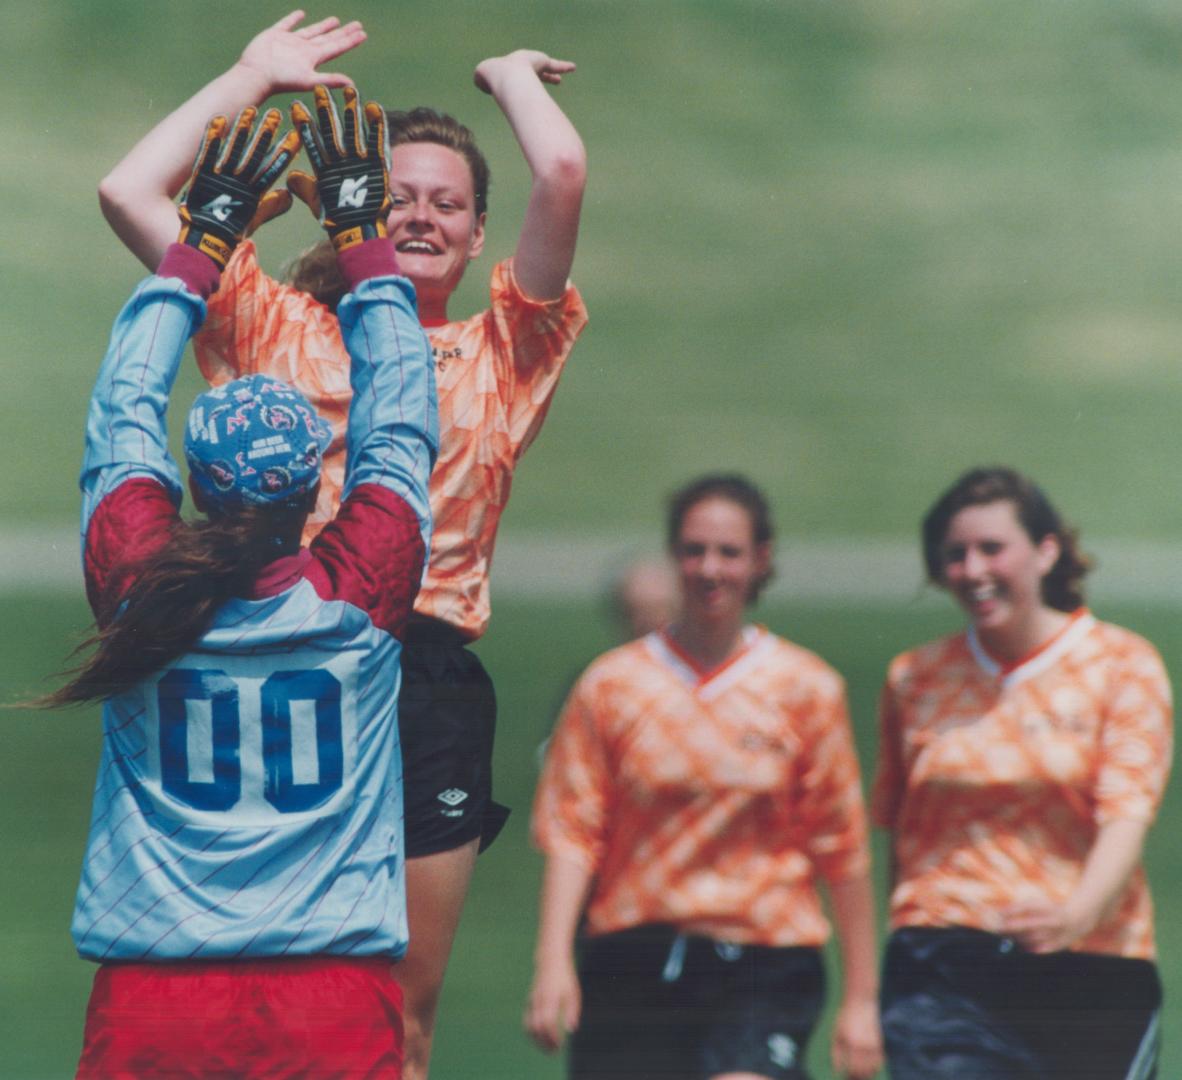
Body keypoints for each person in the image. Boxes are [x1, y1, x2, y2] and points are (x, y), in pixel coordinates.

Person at [98, 13, 588, 1076]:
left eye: (448, 203)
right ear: (346, 205)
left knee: (397, 1022)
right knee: (249, 982)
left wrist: (508, 76)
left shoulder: (503, 347)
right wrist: (250, 76)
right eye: (397, 194)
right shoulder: (270, 319)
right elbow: (130, 195)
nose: (420, 214)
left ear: (473, 236)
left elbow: (560, 169)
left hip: (420, 674)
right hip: (281, 654)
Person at [58, 89, 437, 1075]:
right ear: (317, 480)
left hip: (153, 998)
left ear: (192, 479)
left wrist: (199, 245)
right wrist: (364, 240)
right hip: (331, 997)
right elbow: (401, 420)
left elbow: (122, 405)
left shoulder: (139, 583)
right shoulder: (360, 593)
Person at [526, 475, 883, 1080]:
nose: (710, 569)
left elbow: (841, 847)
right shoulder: (611, 684)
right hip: (634, 956)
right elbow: (573, 830)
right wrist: (553, 958)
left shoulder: (805, 689)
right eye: (694, 550)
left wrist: (862, 1000)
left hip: (761, 959)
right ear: (674, 557)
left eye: (729, 552)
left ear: (760, 560)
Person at [873, 466, 1171, 1079]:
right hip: (944, 964)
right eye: (954, 555)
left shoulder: (1121, 665)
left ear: (1045, 551)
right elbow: (899, 828)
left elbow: (1127, 813)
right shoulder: (916, 677)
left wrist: (1076, 912)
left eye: (991, 548)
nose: (973, 570)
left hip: (1091, 962)